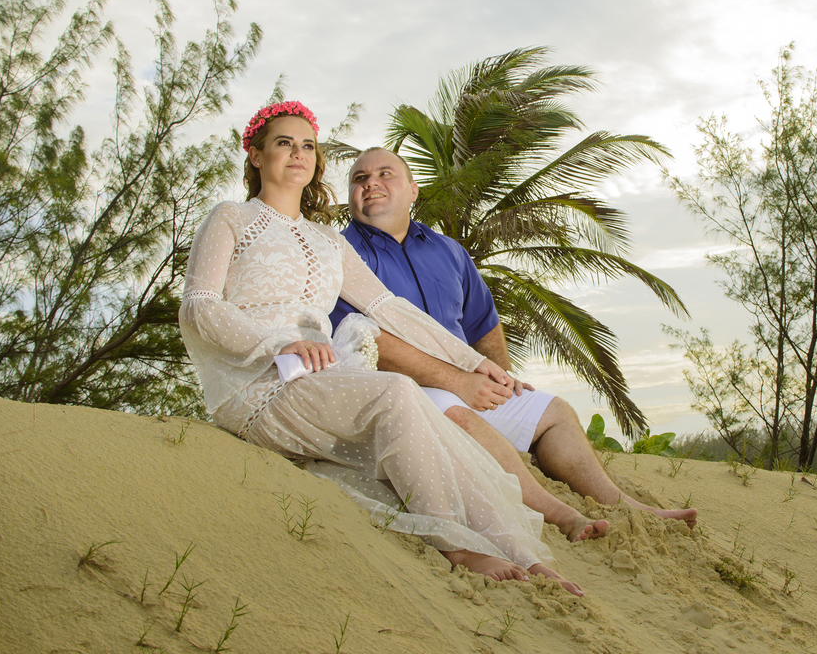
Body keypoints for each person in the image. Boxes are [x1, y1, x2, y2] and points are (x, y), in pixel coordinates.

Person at [179, 101, 580, 595]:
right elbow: (198, 306)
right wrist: (280, 342)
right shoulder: (230, 218)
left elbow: (391, 310)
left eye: (308, 145)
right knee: (396, 393)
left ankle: (517, 550)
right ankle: (452, 542)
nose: (298, 153)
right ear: (257, 156)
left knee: (431, 422)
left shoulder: (329, 241)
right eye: (284, 142)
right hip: (256, 384)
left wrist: (473, 360)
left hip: (319, 380)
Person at [330, 147, 698, 538]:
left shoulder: (448, 251)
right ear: (351, 195)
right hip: (401, 390)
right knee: (459, 416)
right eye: (359, 178)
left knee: (554, 412)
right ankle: (563, 516)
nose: (371, 183)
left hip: (470, 382)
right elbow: (365, 340)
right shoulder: (338, 255)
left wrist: (502, 376)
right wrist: (457, 383)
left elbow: (481, 322)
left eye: (385, 174)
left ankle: (622, 504)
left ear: (413, 190)